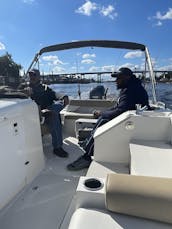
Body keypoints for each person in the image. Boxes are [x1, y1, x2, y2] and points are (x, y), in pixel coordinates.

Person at [67, 67, 150, 170]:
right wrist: (102, 113)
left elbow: (120, 110)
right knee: (103, 117)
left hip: (130, 125)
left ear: (126, 78)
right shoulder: (131, 87)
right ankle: (88, 144)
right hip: (128, 120)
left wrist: (102, 114)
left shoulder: (131, 91)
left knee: (104, 121)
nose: (116, 81)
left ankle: (87, 157)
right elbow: (118, 107)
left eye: (118, 78)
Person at [28, 68, 69, 158]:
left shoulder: (45, 88)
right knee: (54, 115)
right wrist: (42, 112)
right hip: (36, 115)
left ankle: (54, 111)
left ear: (38, 76)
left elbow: (54, 94)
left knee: (56, 107)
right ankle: (57, 148)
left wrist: (64, 96)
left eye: (34, 75)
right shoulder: (27, 89)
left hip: (48, 111)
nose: (32, 77)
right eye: (30, 75)